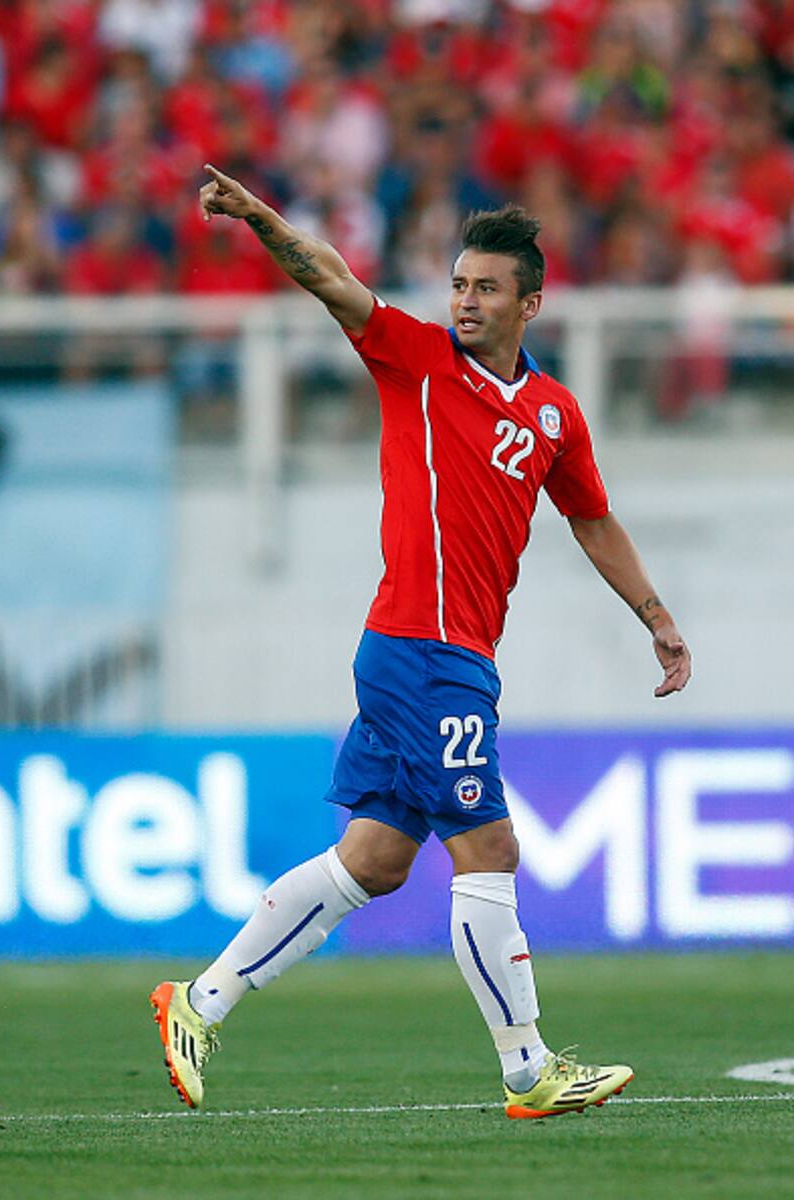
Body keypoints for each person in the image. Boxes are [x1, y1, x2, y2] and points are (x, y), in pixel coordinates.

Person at [150, 164, 692, 1120]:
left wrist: (655, 616)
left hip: (448, 652)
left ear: (530, 303)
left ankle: (198, 1002)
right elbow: (329, 276)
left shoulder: (555, 413)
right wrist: (257, 214)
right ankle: (529, 1069)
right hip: (422, 649)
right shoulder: (418, 359)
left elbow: (592, 519)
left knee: (374, 859)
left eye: (486, 288)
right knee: (490, 845)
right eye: (458, 284)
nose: (465, 301)